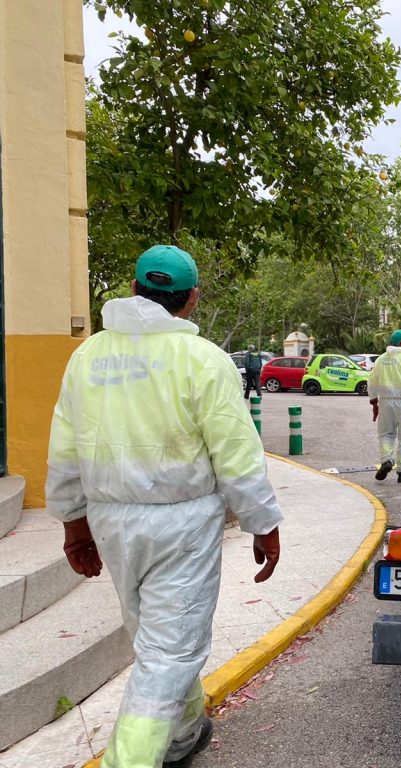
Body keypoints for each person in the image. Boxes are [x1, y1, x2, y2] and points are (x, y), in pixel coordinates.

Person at [46, 244, 283, 768]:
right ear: (192, 300)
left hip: (110, 519)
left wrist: (74, 524)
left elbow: (64, 448)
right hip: (183, 524)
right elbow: (237, 455)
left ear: (135, 290)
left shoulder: (87, 356)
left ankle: (182, 733)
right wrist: (263, 523)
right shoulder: (203, 361)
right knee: (169, 650)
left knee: (155, 639)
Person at [368, 329, 401, 483]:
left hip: (385, 402)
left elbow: (371, 382)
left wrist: (374, 402)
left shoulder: (381, 360)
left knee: (386, 434)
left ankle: (387, 461)